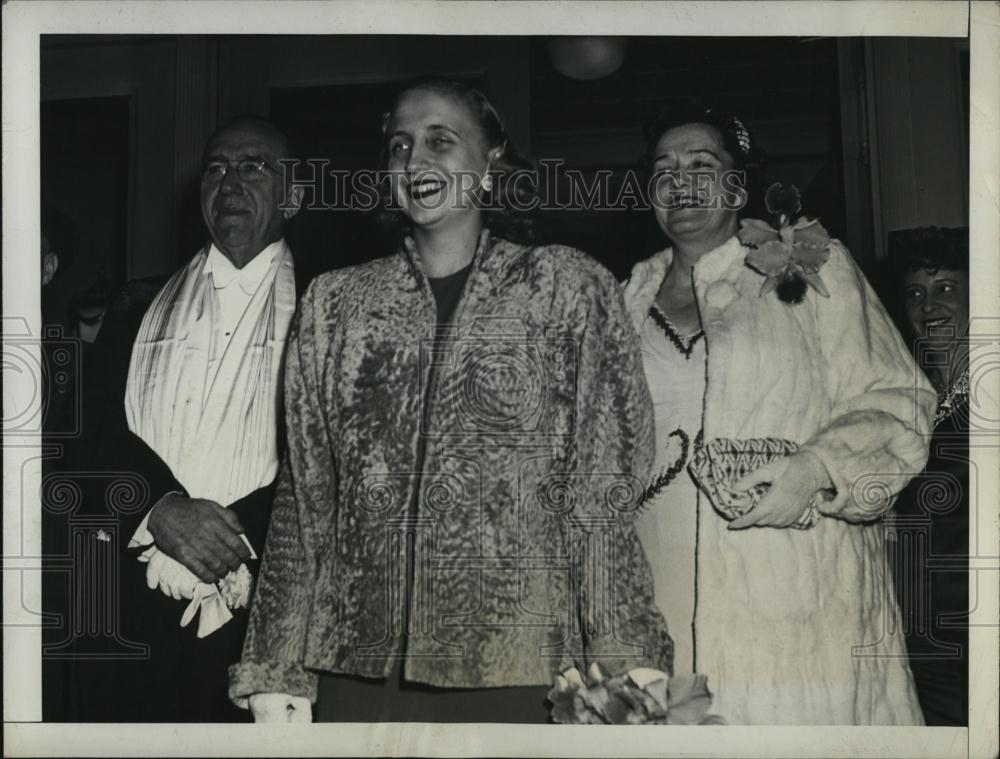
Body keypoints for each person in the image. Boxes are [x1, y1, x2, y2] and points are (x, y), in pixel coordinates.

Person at [229, 79, 673, 723]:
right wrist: (275, 668)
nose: (415, 161)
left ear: (492, 161)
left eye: (441, 140)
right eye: (399, 145)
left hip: (521, 671)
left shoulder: (566, 288)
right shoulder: (333, 304)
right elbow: (306, 501)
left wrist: (627, 665)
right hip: (354, 668)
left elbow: (600, 495)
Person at [623, 105, 936, 725]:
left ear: (739, 185)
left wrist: (819, 468)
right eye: (663, 170)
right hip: (653, 586)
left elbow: (900, 401)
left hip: (797, 591)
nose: (678, 180)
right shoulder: (624, 298)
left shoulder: (812, 265)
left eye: (700, 164)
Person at [64, 115, 304, 721]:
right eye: (217, 167)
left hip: (268, 607)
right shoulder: (136, 304)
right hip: (130, 604)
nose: (230, 182)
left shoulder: (334, 305)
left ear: (295, 195)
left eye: (255, 166)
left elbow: (340, 461)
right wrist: (157, 509)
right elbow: (84, 440)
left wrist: (233, 533)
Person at [889, 226, 969, 726]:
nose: (929, 305)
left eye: (945, 288)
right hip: (918, 644)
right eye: (915, 293)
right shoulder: (912, 402)